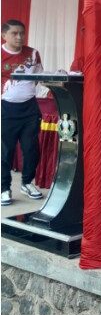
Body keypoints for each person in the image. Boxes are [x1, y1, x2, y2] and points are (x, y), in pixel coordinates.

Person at [1, 19, 44, 205]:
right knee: (6, 151)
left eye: (22, 33)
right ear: (4, 36)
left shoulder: (33, 53)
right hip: (6, 109)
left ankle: (27, 182)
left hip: (29, 109)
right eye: (14, 33)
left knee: (31, 149)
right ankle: (4, 188)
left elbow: (39, 77)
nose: (19, 37)